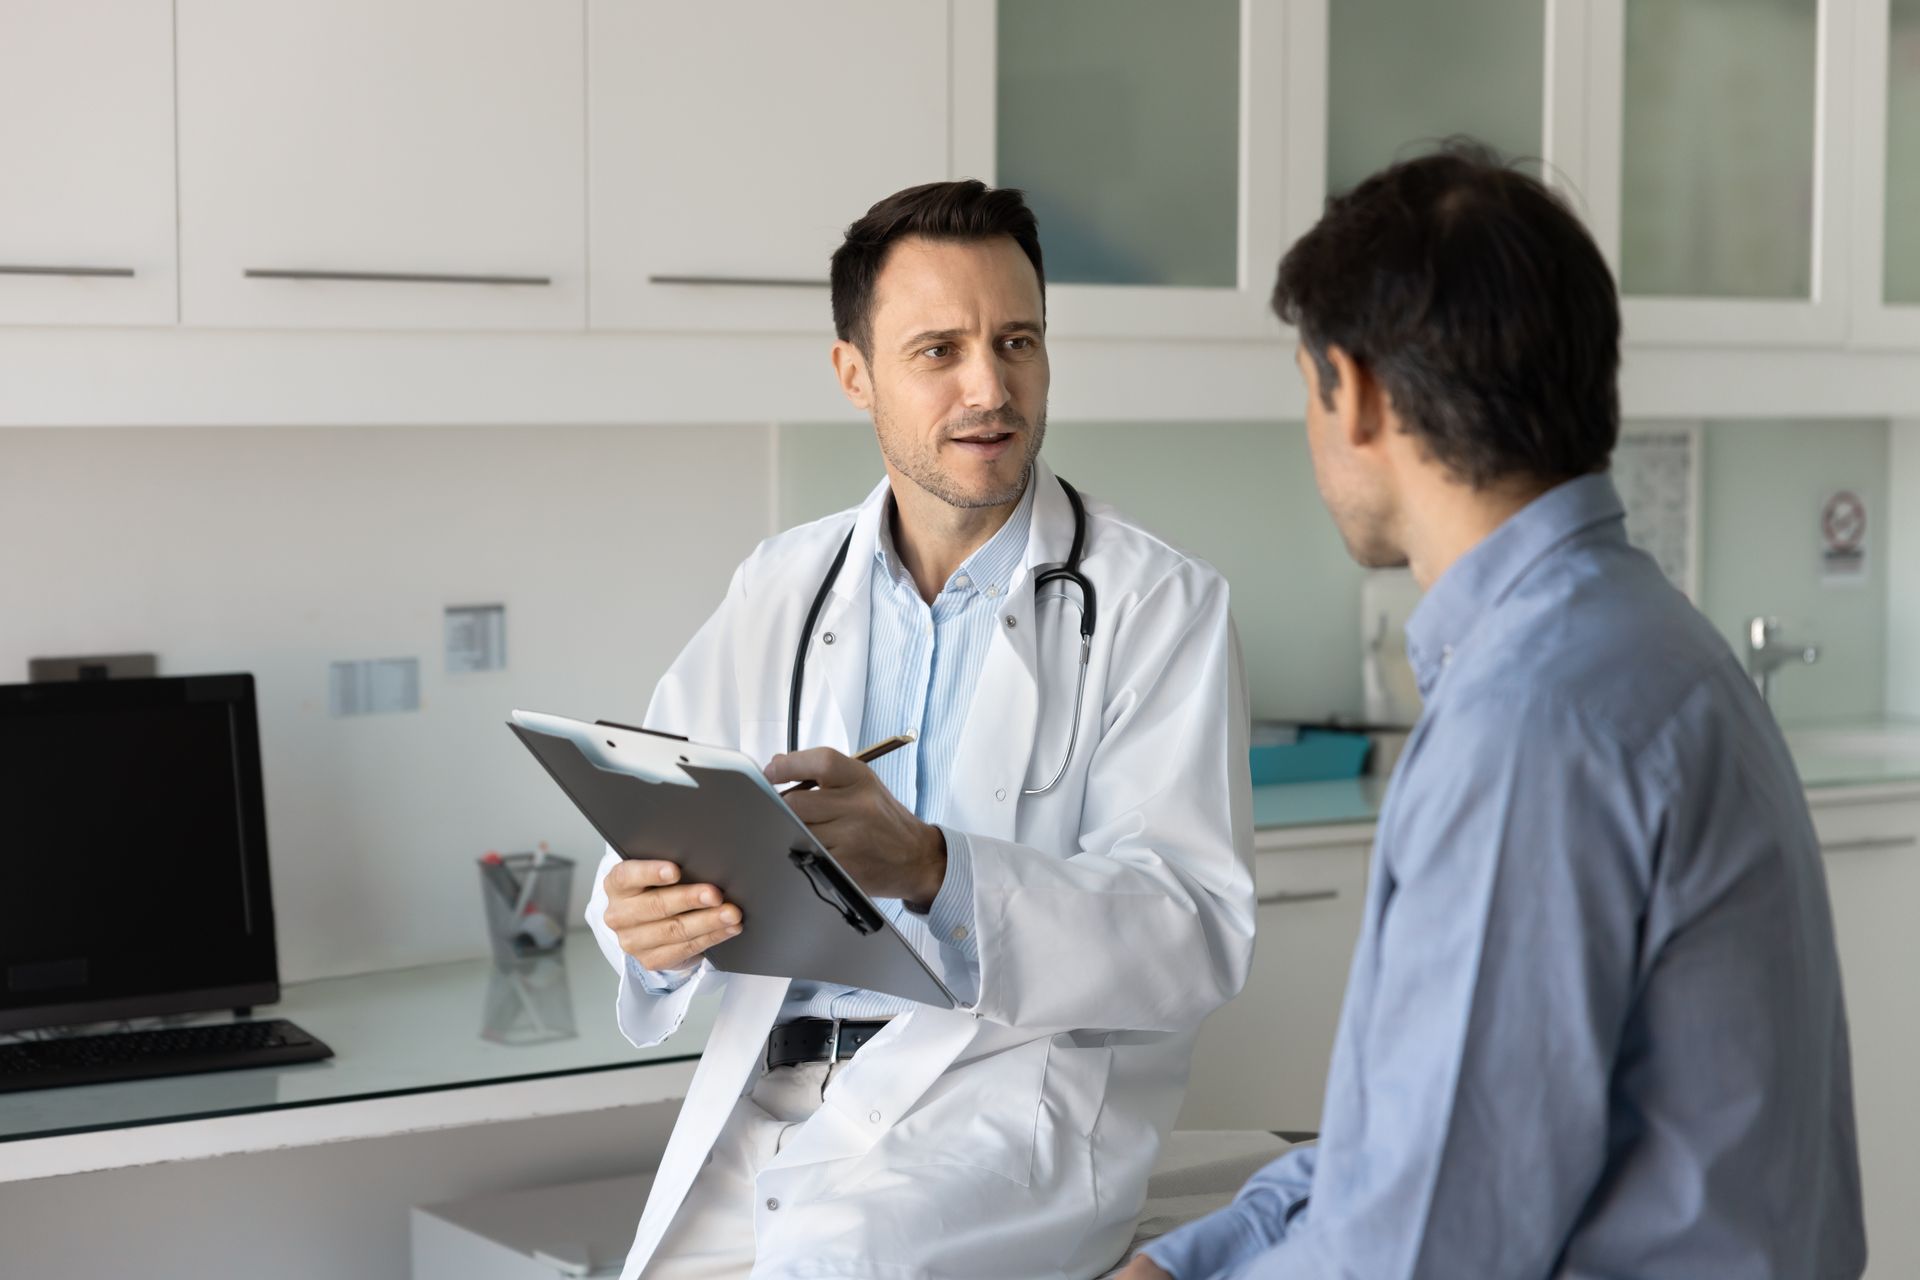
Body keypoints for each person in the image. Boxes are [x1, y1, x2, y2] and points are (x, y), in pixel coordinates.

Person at [1122, 144, 1866, 1279]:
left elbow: (1425, 1248)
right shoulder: (1638, 643)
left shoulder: (1535, 725)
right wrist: (1191, 1259)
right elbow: (1416, 1142)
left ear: (1354, 391)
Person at [586, 179, 1256, 1280]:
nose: (990, 386)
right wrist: (646, 926)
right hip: (771, 1094)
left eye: (1018, 340)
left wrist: (939, 867)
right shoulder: (782, 586)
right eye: (938, 349)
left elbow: (1193, 929)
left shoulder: (1157, 604)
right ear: (856, 374)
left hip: (1003, 1102)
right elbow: (648, 836)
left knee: (842, 1264)